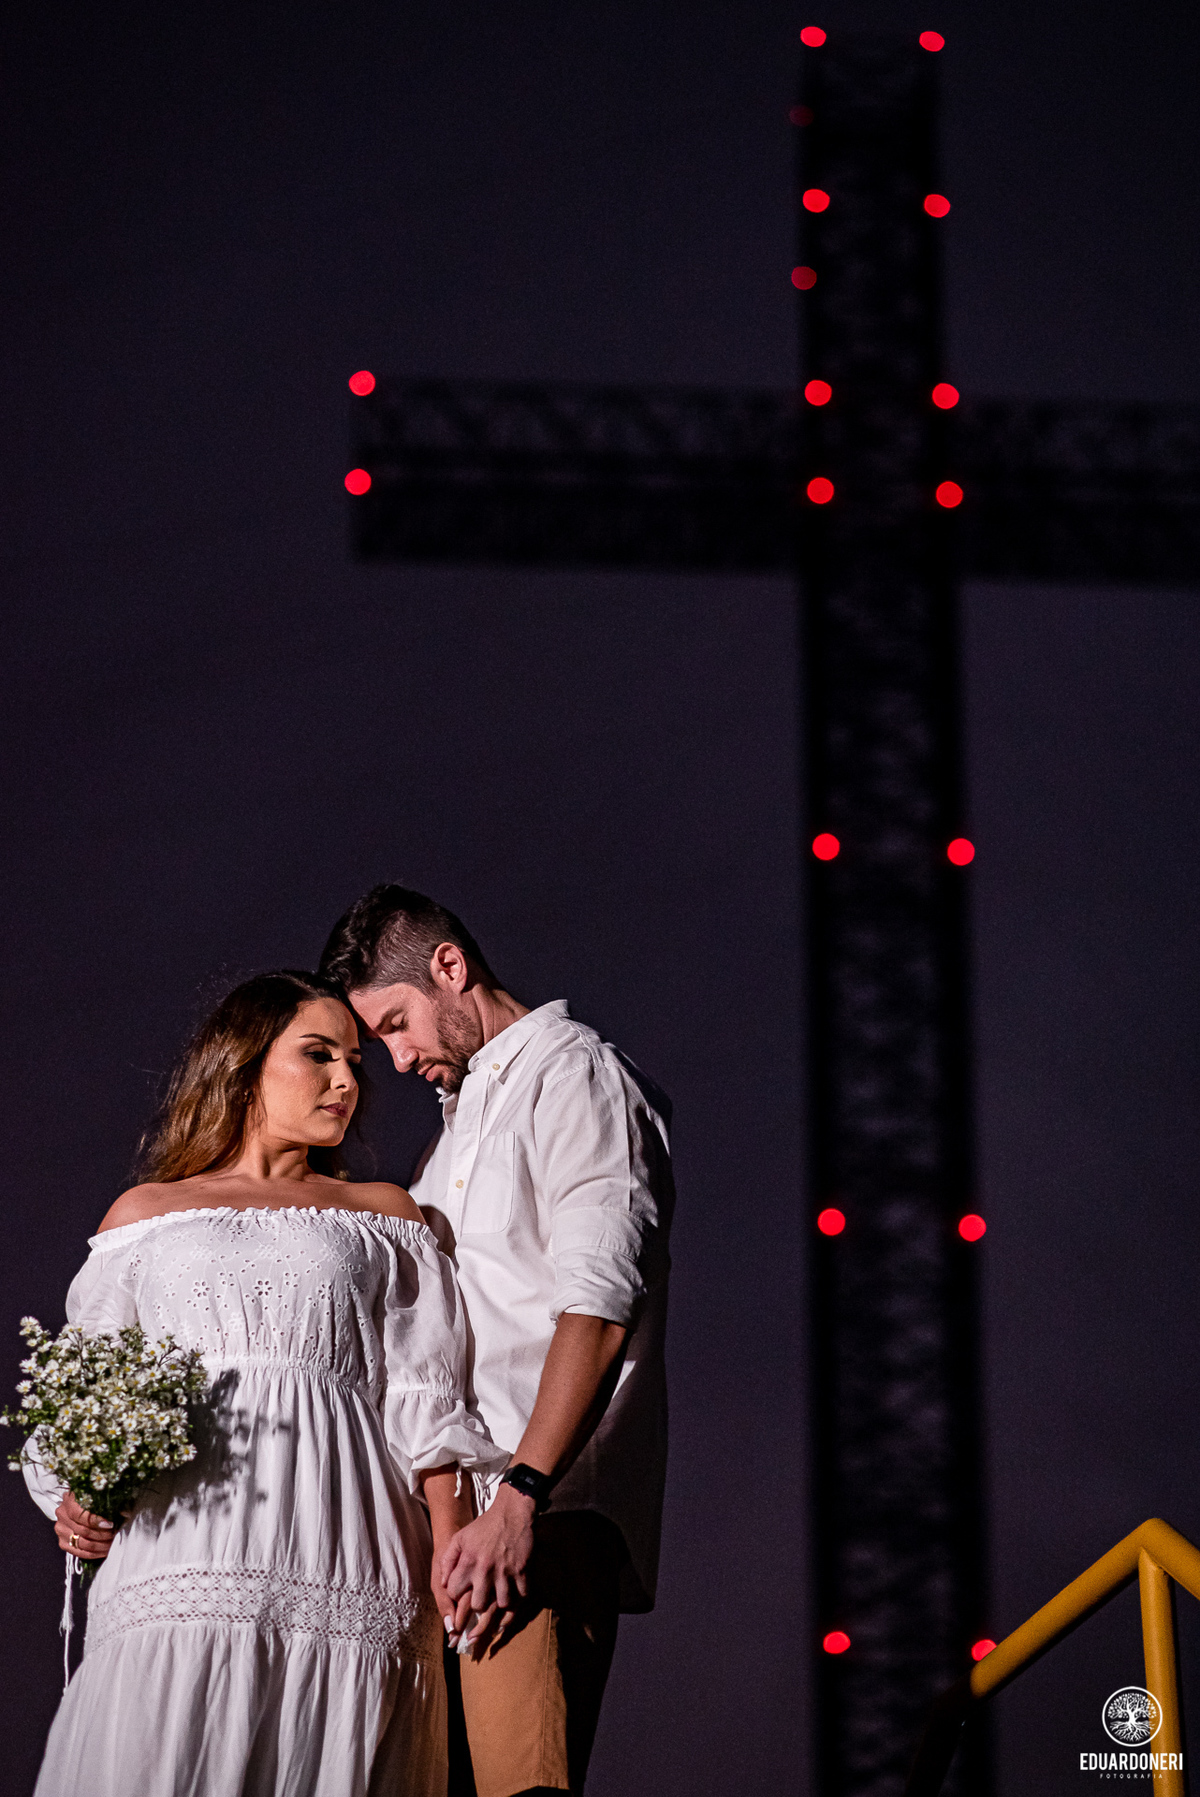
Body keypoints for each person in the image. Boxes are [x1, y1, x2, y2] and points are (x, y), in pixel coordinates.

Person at [26, 970, 505, 1797]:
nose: (346, 1080)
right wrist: (74, 1494)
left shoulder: (384, 1212)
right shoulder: (144, 1214)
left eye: (354, 1061)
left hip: (350, 1549)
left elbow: (426, 1396)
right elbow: (85, 1392)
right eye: (318, 1054)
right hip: (180, 1553)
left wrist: (454, 1541)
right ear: (244, 1062)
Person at [320, 887, 673, 1797]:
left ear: (450, 967)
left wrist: (521, 1497)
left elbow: (599, 1306)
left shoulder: (576, 1076)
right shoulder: (447, 1143)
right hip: (458, 1540)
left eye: (396, 1024)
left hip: (540, 1520)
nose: (397, 1059)